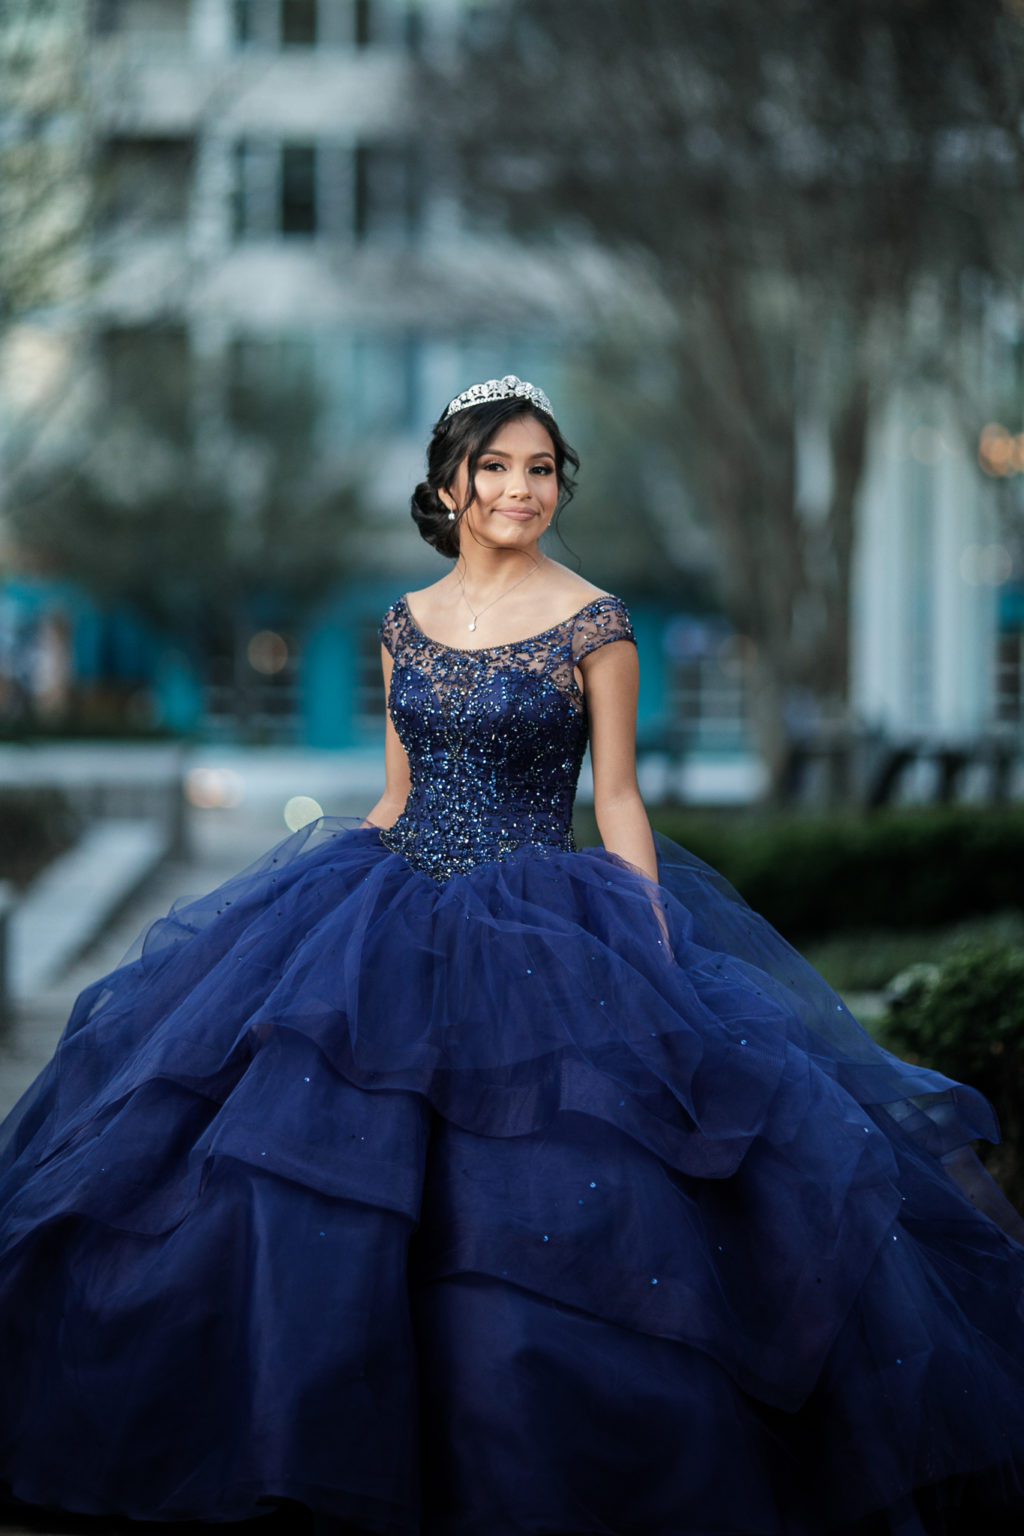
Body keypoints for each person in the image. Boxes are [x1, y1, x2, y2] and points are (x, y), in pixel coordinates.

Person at [1, 374, 1023, 1536]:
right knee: (300, 1170)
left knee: (543, 1202)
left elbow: (621, 799)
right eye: (495, 468)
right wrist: (296, 911)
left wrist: (650, 947)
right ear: (450, 484)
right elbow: (393, 795)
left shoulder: (597, 622)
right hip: (385, 912)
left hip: (542, 919)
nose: (518, 490)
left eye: (538, 469)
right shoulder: (400, 623)